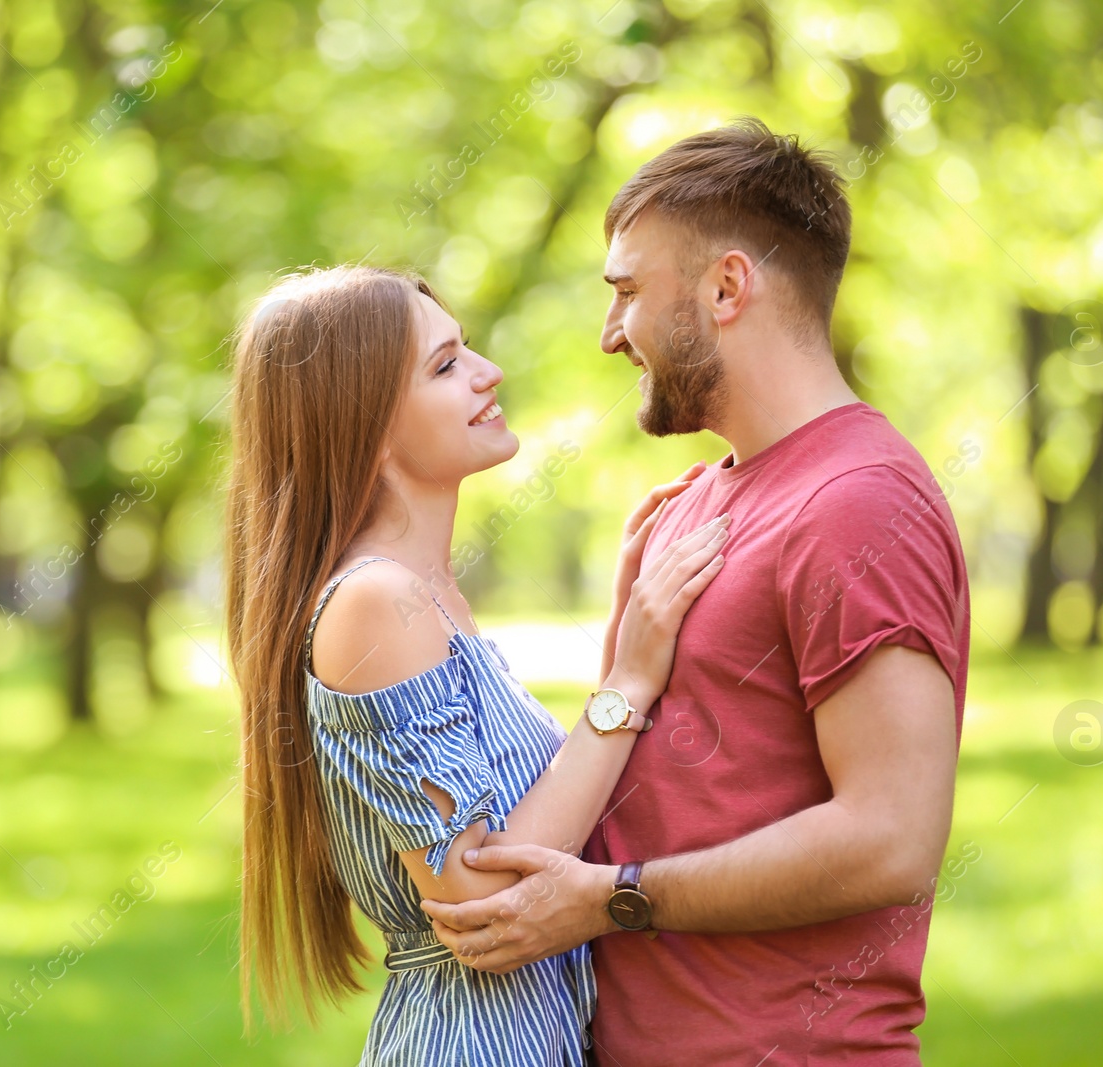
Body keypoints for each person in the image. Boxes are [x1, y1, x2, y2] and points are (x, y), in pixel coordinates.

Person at [422, 117, 972, 1065]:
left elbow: (891, 837)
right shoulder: (683, 508)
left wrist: (613, 896)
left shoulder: (860, 504)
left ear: (726, 286)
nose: (607, 336)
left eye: (626, 292)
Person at [224, 263, 728, 1065]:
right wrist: (628, 681)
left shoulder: (426, 595)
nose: (489, 371)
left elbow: (524, 820)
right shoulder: (374, 604)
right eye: (447, 364)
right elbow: (489, 899)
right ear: (368, 423)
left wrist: (623, 636)